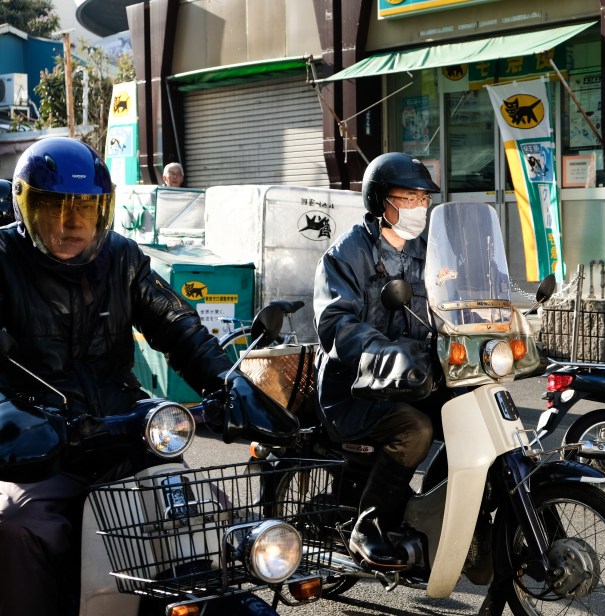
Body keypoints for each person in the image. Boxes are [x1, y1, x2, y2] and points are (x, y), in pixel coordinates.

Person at [0, 137, 284, 615]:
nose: (72, 224)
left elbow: (180, 328)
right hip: (43, 448)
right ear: (28, 209)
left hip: (122, 432)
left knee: (207, 510)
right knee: (18, 528)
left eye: (85, 209)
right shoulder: (4, 258)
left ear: (104, 211)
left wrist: (234, 388)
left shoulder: (122, 258)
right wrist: (14, 420)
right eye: (56, 209)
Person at [313, 152, 442, 569]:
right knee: (416, 429)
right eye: (408, 198)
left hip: (415, 378)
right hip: (354, 388)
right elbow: (336, 323)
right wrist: (384, 352)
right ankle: (367, 528)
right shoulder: (347, 252)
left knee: (471, 414)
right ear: (381, 201)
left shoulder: (428, 251)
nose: (418, 208)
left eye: (423, 199)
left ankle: (439, 518)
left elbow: (451, 301)